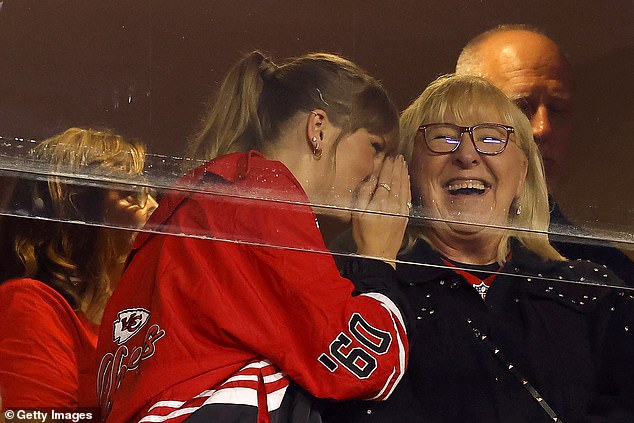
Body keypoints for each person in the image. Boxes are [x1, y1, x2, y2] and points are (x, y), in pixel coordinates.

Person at [96, 51, 412, 423]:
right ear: (319, 129)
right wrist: (378, 257)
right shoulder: (264, 199)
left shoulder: (201, 198)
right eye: (376, 147)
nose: (382, 171)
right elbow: (362, 365)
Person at [324, 74, 634, 422]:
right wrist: (374, 269)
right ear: (406, 172)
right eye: (443, 137)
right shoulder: (360, 291)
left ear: (522, 175)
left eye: (491, 138)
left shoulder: (592, 294)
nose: (467, 155)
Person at [455, 24, 634, 285]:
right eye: (521, 107)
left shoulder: (606, 271)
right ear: (458, 116)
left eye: (557, 109)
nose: (542, 128)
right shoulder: (404, 246)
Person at [0, 127, 157, 408]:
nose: (155, 208)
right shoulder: (31, 305)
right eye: (131, 194)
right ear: (79, 213)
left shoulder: (124, 325)